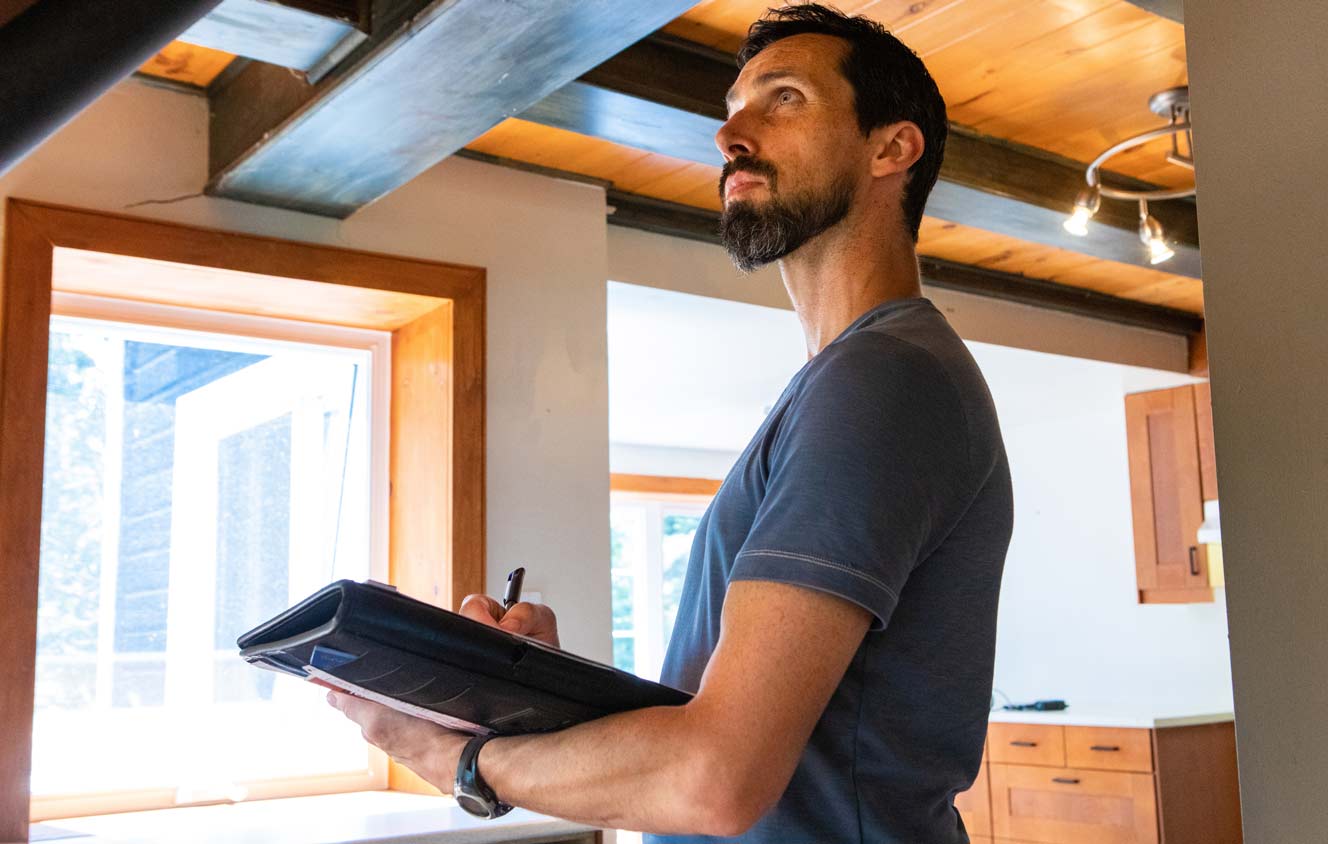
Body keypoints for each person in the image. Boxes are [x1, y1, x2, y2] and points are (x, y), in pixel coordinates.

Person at [330, 5, 1013, 841]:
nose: (731, 133)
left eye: (784, 98)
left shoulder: (884, 380)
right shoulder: (848, 382)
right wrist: (542, 698)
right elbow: (720, 724)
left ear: (890, 148)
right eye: (733, 107)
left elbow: (714, 780)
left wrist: (462, 764)